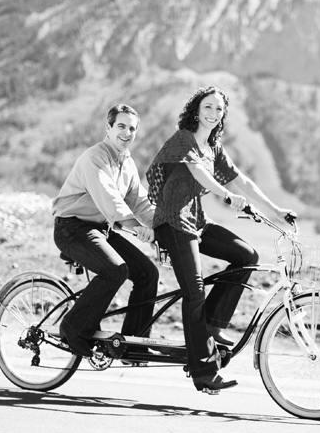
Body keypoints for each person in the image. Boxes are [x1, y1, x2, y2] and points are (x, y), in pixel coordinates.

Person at [146, 86, 296, 393]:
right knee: (195, 291)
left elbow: (242, 180)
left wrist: (276, 209)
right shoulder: (184, 138)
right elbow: (199, 172)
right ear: (196, 109)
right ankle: (202, 370)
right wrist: (226, 195)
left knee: (246, 256)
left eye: (219, 109)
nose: (213, 113)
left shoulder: (214, 147)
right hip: (173, 222)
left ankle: (211, 328)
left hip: (197, 221)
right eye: (208, 107)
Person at [52, 104, 159, 359]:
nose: (127, 132)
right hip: (72, 227)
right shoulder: (95, 157)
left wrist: (166, 226)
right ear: (108, 128)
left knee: (147, 273)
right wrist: (136, 228)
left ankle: (133, 344)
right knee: (115, 270)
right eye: (121, 126)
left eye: (132, 128)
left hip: (100, 229)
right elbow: (110, 200)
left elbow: (140, 202)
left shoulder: (127, 163)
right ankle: (73, 327)